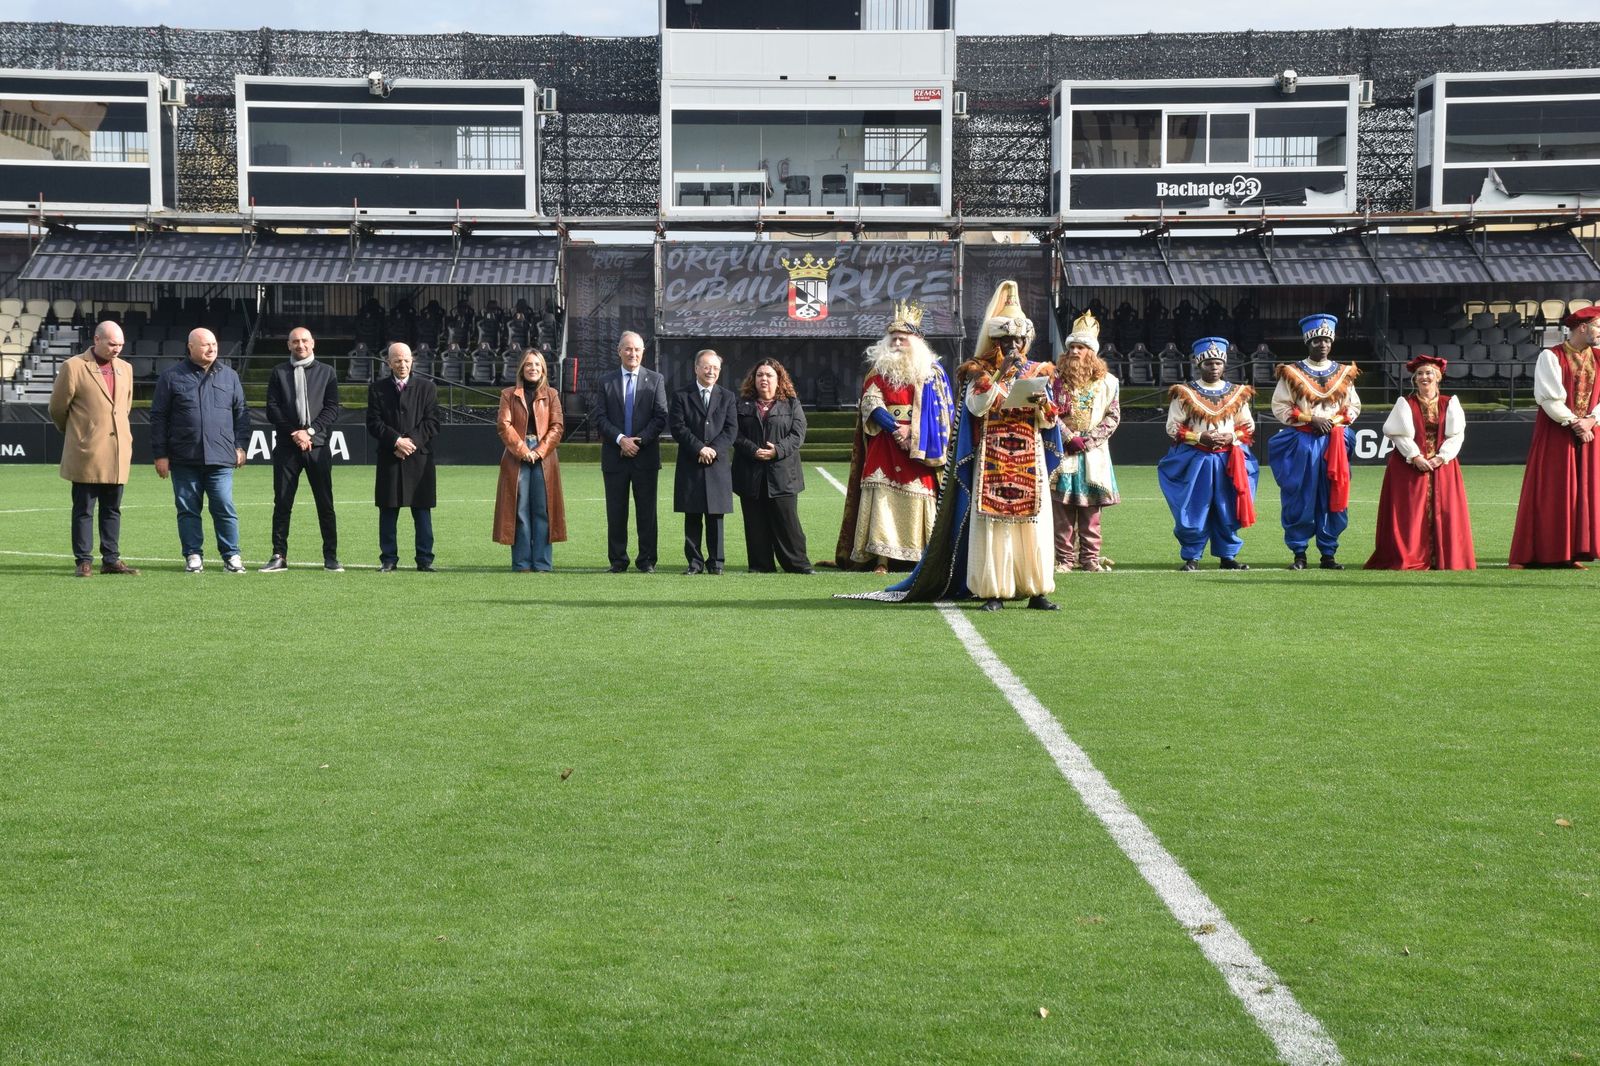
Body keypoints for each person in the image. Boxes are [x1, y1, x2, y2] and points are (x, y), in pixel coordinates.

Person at [853, 280, 1063, 610]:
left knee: (1032, 527)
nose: (1013, 346)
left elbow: (1051, 420)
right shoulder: (979, 371)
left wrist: (1041, 403)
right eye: (1006, 340)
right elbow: (976, 408)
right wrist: (1000, 377)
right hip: (991, 458)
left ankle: (1037, 590)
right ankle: (994, 592)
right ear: (995, 340)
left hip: (1029, 459)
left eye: (1018, 340)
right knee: (993, 529)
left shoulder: (1039, 371)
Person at [833, 300, 953, 573]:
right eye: (894, 338)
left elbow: (941, 412)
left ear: (917, 341)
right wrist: (894, 428)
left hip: (920, 447)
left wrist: (914, 431)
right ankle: (881, 559)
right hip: (885, 443)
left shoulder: (932, 372)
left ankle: (920, 556)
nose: (898, 343)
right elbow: (871, 404)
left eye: (903, 338)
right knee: (881, 499)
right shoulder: (878, 371)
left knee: (919, 497)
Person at [149, 327, 250, 573]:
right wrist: (160, 454)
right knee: (187, 509)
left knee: (224, 506)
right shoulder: (171, 377)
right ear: (190, 347)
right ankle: (193, 555)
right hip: (184, 458)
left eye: (214, 343)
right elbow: (158, 417)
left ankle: (232, 556)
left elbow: (242, 415)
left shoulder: (230, 376)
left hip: (221, 458)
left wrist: (241, 446)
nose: (212, 348)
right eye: (205, 344)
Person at [1508, 305, 1600, 568]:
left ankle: (1570, 552)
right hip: (1557, 432)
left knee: (1582, 491)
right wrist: (1574, 422)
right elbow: (1548, 397)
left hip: (1591, 432)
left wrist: (1592, 420)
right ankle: (1533, 553)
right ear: (1583, 327)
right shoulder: (1551, 356)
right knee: (1551, 490)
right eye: (1597, 327)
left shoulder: (1599, 357)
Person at [1268, 313, 1361, 570]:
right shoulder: (1292, 372)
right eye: (1317, 340)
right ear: (1308, 342)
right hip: (1303, 441)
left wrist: (1334, 421)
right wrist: (1311, 419)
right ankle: (1299, 552)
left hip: (1334, 441)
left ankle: (1328, 553)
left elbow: (1353, 406)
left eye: (1326, 340)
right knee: (1300, 496)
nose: (1322, 345)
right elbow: (1280, 406)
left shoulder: (1344, 373)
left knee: (1334, 495)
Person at [1366, 354, 1476, 570]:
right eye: (1420, 374)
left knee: (1445, 511)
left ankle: (1443, 558)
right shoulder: (1404, 404)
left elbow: (1457, 435)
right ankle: (1410, 556)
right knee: (1408, 513)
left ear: (1438, 377)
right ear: (1414, 379)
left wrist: (1441, 457)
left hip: (1443, 465)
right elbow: (1397, 434)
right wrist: (1415, 456)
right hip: (1408, 465)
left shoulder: (1449, 403)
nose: (1425, 377)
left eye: (1429, 373)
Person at [1157, 337, 1258, 571]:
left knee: (1227, 506)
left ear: (1224, 365)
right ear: (1198, 364)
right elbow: (1172, 427)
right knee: (1195, 507)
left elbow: (1247, 426)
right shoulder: (1184, 393)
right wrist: (1198, 437)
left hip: (1229, 460)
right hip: (1196, 458)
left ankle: (1228, 556)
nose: (1214, 367)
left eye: (1218, 363)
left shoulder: (1237, 393)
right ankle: (1192, 556)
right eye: (1208, 363)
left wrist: (1231, 437)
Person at [48, 320, 139, 577]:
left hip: (117, 452)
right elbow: (57, 408)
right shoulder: (73, 367)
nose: (117, 349)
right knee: (84, 509)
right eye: (112, 344)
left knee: (112, 509)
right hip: (86, 452)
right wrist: (78, 433)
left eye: (120, 344)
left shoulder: (126, 369)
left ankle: (111, 559)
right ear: (96, 340)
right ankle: (84, 561)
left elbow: (125, 407)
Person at [262, 326, 342, 572]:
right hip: (287, 447)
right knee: (283, 502)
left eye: (304, 341)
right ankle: (279, 555)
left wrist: (308, 431)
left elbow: (332, 409)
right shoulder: (278, 373)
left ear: (313, 343)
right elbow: (272, 409)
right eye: (295, 341)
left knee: (325, 503)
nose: (300, 345)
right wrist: (294, 433)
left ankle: (330, 556)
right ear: (288, 345)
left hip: (317, 447)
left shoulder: (327, 372)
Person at [1049, 310, 1121, 573]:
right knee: (1062, 512)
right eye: (1072, 347)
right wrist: (1068, 437)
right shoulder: (1054, 380)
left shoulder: (1109, 383)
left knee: (1091, 513)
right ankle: (1064, 560)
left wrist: (1088, 441)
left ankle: (1090, 559)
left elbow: (1113, 417)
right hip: (1063, 451)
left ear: (1092, 352)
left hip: (1094, 454)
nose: (1075, 352)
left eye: (1081, 347)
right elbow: (1047, 412)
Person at [592, 331, 667, 572]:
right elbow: (600, 417)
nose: (632, 353)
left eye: (637, 349)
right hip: (614, 457)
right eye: (628, 349)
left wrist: (638, 441)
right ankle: (618, 560)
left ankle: (646, 560)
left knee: (647, 512)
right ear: (619, 351)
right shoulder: (606, 381)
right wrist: (621, 439)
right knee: (616, 512)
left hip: (645, 457)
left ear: (643, 352)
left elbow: (660, 417)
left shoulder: (655, 380)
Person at [366, 342, 441, 572]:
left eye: (407, 360)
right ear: (389, 362)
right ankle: (388, 559)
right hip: (390, 457)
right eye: (397, 360)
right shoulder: (377, 389)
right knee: (388, 510)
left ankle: (424, 560)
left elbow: (432, 423)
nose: (403, 364)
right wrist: (396, 441)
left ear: (412, 361)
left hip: (419, 459)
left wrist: (411, 442)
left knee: (422, 511)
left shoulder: (427, 388)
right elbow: (374, 423)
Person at [733, 358, 813, 574]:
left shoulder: (792, 404)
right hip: (750, 474)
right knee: (755, 524)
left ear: (779, 380)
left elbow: (798, 435)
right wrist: (752, 449)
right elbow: (734, 434)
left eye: (769, 375)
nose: (764, 379)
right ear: (754, 379)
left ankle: (798, 565)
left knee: (789, 525)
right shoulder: (741, 404)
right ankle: (760, 566)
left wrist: (777, 450)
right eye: (760, 375)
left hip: (783, 475)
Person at [494, 349, 567, 571]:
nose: (532, 368)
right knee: (519, 508)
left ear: (543, 368)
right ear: (522, 369)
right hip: (517, 456)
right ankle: (522, 562)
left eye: (537, 364)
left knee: (543, 509)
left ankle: (543, 563)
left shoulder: (552, 394)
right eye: (528, 364)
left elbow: (557, 426)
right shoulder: (508, 394)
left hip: (544, 457)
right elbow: (503, 425)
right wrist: (523, 449)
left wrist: (539, 450)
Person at [669, 349, 738, 574]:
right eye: (707, 367)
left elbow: (731, 430)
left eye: (715, 368)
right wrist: (699, 448)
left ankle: (716, 563)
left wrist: (713, 450)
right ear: (696, 368)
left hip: (717, 465)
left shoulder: (727, 396)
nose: (711, 371)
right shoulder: (681, 395)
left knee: (715, 517)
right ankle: (695, 563)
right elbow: (678, 427)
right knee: (692, 515)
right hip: (691, 462)